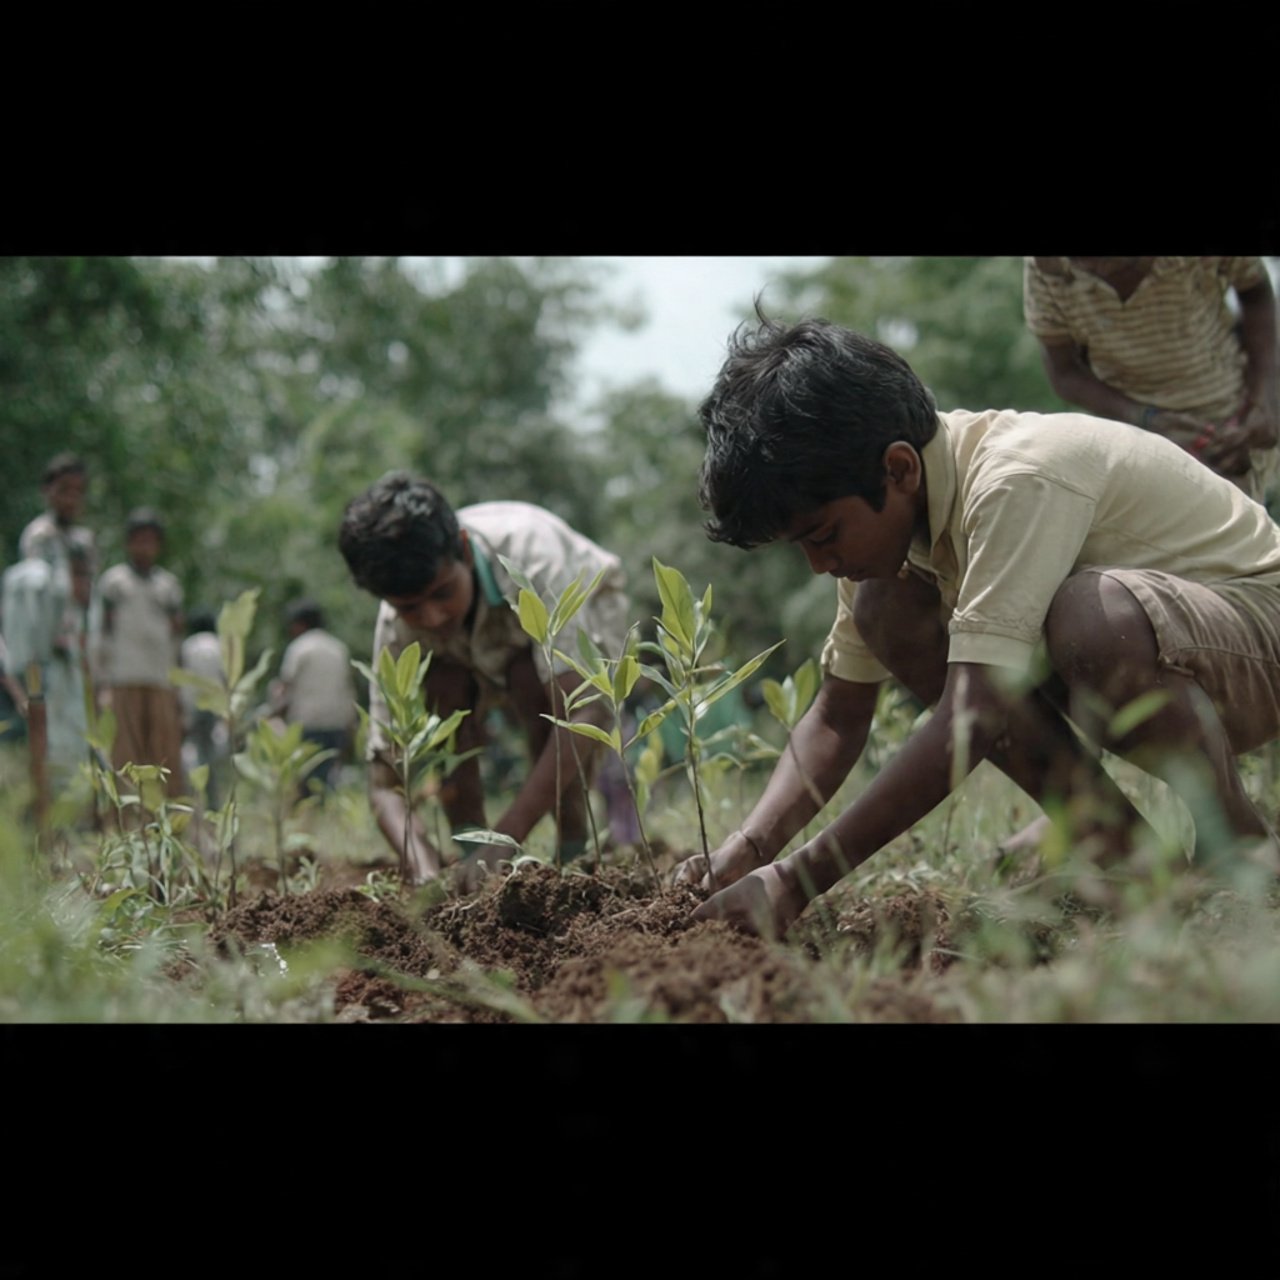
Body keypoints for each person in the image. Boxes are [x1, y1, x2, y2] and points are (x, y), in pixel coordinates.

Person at [678, 313, 1280, 938]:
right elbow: (839, 715)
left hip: (1258, 630)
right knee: (887, 612)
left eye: (824, 536)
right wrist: (752, 847)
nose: (819, 564)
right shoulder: (887, 545)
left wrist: (798, 879)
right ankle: (1131, 863)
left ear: (900, 469)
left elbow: (973, 714)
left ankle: (1236, 843)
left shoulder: (1018, 478)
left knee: (1090, 618)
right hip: (1176, 650)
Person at [338, 472, 629, 889]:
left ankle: (572, 845)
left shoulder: (534, 557)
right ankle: (470, 847)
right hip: (468, 650)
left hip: (585, 611)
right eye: (410, 608)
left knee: (541, 690)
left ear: (464, 551)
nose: (432, 618)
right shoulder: (395, 628)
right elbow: (384, 783)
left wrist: (507, 837)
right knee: (440, 683)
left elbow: (585, 711)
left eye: (442, 593)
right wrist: (423, 870)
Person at [1023, 257, 1279, 509]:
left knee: (1238, 522)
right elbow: (1065, 373)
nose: (1092, 268)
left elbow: (1255, 291)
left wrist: (1264, 397)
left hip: (1230, 414)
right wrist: (1146, 420)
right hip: (1135, 434)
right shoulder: (1048, 267)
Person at [95, 508, 186, 798]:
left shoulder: (168, 585)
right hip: (124, 678)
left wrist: (178, 684)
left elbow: (176, 634)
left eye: (151, 540)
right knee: (125, 751)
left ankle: (166, 823)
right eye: (139, 540)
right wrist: (102, 680)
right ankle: (127, 823)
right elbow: (103, 633)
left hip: (160, 680)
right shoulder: (114, 583)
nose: (145, 547)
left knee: (163, 752)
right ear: (129, 543)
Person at [271, 599, 356, 797]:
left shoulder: (299, 647)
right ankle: (326, 815)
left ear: (300, 623)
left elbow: (285, 686)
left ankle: (312, 817)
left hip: (307, 721)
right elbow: (348, 686)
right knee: (329, 773)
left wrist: (274, 714)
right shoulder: (338, 648)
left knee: (307, 775)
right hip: (337, 720)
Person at [179, 608, 227, 804]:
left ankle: (198, 799)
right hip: (216, 707)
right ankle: (214, 801)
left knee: (197, 754)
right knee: (213, 756)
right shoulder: (220, 645)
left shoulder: (189, 646)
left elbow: (183, 679)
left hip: (194, 706)